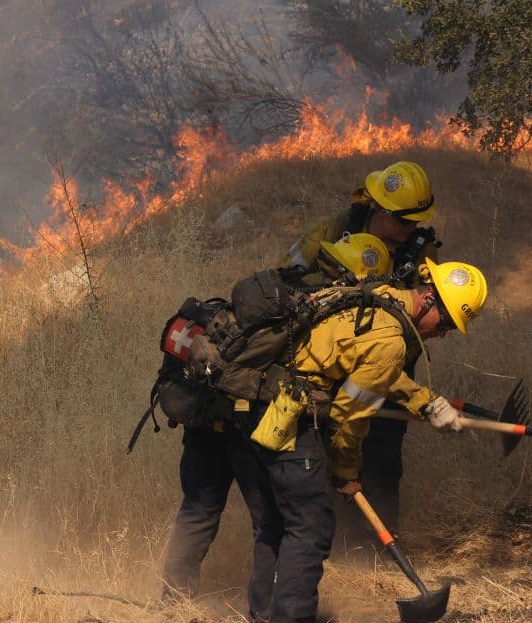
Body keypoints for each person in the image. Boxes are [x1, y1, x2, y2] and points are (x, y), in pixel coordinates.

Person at [239, 259, 487, 623]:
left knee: (278, 520)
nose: (441, 335)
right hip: (294, 416)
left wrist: (426, 402)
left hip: (262, 402)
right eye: (444, 324)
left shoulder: (386, 299)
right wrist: (346, 471)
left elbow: (376, 372)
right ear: (429, 299)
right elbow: (350, 416)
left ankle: (265, 616)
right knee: (312, 526)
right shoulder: (392, 341)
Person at [159, 233, 391, 604]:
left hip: (204, 416)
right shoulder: (318, 314)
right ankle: (266, 615)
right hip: (245, 427)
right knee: (271, 521)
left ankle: (171, 603)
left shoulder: (276, 293)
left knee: (198, 511)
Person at [280, 161, 442, 556]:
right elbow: (286, 280)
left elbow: (430, 315)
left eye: (418, 222)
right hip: (328, 364)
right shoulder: (335, 231)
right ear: (381, 211)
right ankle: (333, 548)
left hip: (387, 364)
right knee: (327, 450)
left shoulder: (422, 251)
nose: (413, 230)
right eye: (406, 221)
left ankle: (377, 551)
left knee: (383, 457)